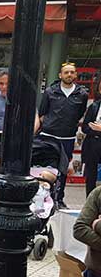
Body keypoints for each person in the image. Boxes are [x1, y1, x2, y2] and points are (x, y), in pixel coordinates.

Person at [37, 63, 89, 209]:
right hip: (48, 135)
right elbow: (42, 113)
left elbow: (80, 113)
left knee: (63, 169)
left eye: (72, 72)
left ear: (76, 75)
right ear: (60, 75)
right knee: (46, 168)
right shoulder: (50, 92)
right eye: (66, 72)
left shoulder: (82, 94)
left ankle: (59, 199)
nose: (69, 75)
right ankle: (45, 197)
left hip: (67, 137)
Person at [81, 80, 101, 197]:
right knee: (91, 176)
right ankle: (90, 201)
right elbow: (85, 127)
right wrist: (96, 130)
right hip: (93, 144)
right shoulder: (94, 106)